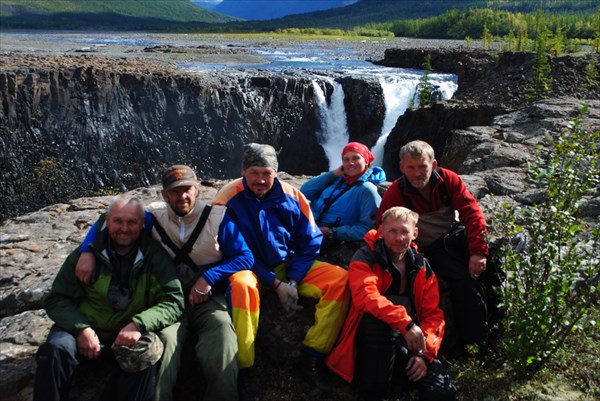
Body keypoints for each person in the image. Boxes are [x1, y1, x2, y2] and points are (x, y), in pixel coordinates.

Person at [75, 165, 257, 401]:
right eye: (174, 191)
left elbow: (245, 257)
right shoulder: (152, 218)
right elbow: (107, 220)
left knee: (222, 338)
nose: (182, 196)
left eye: (187, 189)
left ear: (198, 189)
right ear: (164, 195)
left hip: (209, 300)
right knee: (165, 345)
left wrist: (209, 276)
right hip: (168, 303)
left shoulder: (217, 218)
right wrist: (87, 250)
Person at [212, 143, 350, 393]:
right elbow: (235, 250)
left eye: (267, 173)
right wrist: (276, 285)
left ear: (276, 173)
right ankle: (243, 368)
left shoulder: (292, 195)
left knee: (340, 281)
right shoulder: (226, 199)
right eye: (254, 172)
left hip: (288, 266)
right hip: (248, 267)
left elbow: (311, 239)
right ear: (243, 172)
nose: (261, 180)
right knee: (241, 285)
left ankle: (312, 356)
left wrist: (294, 280)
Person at [33, 194, 184, 401]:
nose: (124, 228)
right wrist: (81, 328)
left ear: (142, 225)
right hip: (84, 330)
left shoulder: (155, 257)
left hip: (127, 335)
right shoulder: (85, 255)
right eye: (118, 221)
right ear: (107, 221)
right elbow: (57, 298)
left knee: (146, 353)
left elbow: (173, 301)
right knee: (56, 348)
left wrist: (139, 324)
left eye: (132, 222)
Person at [326, 207, 457, 401]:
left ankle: (401, 378)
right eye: (392, 231)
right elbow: (366, 296)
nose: (398, 238)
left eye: (404, 232)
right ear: (381, 231)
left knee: (442, 392)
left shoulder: (421, 266)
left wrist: (424, 355)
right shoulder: (365, 257)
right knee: (379, 325)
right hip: (370, 341)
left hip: (410, 341)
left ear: (415, 234)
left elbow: (433, 316)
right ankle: (372, 392)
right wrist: (406, 323)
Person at [376, 140, 490, 353]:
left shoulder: (448, 180)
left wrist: (478, 252)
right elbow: (381, 228)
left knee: (492, 266)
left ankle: (498, 329)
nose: (417, 173)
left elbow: (472, 213)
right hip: (429, 248)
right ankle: (475, 346)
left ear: (434, 165)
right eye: (411, 168)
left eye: (422, 167)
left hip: (452, 236)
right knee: (464, 280)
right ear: (402, 168)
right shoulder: (396, 192)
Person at [300, 142, 386, 265]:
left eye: (356, 158)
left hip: (328, 240)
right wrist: (334, 173)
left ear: (366, 161)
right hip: (310, 229)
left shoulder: (367, 190)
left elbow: (368, 229)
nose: (350, 163)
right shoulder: (338, 179)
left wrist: (332, 232)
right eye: (346, 160)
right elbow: (305, 192)